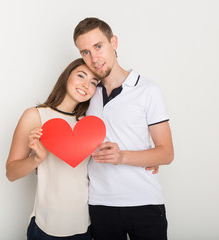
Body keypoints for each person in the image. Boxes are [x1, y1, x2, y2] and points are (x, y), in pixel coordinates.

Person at [73, 17, 174, 240]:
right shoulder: (86, 94)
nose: (93, 58)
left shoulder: (148, 90)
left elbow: (166, 153)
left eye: (98, 46)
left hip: (144, 203)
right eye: (85, 52)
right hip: (100, 205)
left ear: (114, 42)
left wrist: (122, 156)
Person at [5, 58, 99, 240]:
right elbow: (11, 173)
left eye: (93, 82)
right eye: (81, 76)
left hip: (84, 226)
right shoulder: (35, 116)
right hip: (45, 226)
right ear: (66, 77)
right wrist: (36, 159)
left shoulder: (89, 125)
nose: (86, 85)